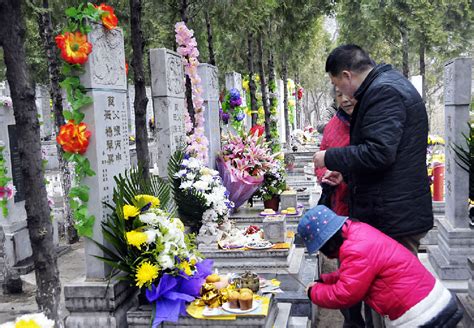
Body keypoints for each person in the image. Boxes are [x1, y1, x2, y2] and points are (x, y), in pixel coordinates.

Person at [313, 44, 433, 256]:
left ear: (346, 75)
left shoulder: (383, 92)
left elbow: (379, 153)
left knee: (396, 285)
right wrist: (347, 174)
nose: (342, 95)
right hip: (393, 211)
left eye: (336, 84)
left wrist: (329, 157)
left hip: (394, 216)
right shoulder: (387, 84)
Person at [298, 205, 463, 328]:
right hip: (427, 298)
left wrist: (314, 292)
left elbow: (346, 294)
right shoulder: (357, 232)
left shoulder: (355, 250)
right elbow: (354, 275)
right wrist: (325, 280)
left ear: (328, 242)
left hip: (422, 314)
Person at [315, 86, 355, 216]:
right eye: (339, 95)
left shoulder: (373, 123)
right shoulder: (331, 126)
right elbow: (320, 159)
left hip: (367, 206)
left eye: (349, 94)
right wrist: (325, 174)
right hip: (337, 205)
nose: (344, 100)